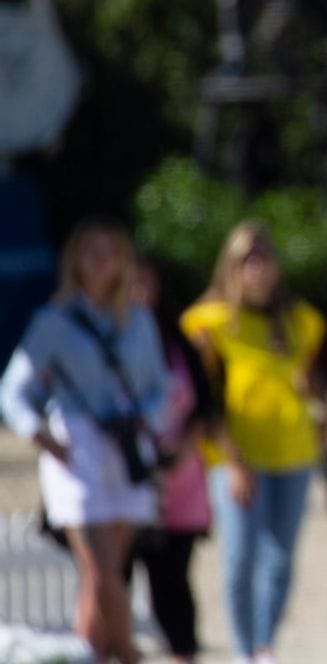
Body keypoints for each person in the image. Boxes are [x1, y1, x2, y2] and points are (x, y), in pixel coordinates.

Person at [0, 219, 168, 664]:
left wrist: (146, 420)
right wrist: (41, 436)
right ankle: (130, 654)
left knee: (104, 576)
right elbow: (13, 389)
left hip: (126, 447)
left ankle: (88, 653)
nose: (101, 261)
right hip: (77, 448)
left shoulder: (138, 319)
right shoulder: (53, 322)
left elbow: (158, 386)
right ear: (74, 260)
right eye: (91, 251)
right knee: (103, 569)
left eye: (109, 251)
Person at [181, 222, 327, 664]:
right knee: (240, 555)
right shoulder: (207, 322)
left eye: (265, 257)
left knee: (281, 557)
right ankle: (243, 649)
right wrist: (232, 460)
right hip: (236, 455)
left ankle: (265, 644)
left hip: (293, 450)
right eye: (249, 259)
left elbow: (309, 379)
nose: (259, 268)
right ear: (231, 266)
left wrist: (324, 409)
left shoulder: (299, 321)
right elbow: (203, 400)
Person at [129, 255, 217, 664]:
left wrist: (182, 450)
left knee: (173, 584)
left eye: (147, 282)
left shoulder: (177, 339)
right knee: (116, 581)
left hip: (180, 477)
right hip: (126, 476)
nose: (140, 292)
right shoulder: (104, 339)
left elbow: (206, 406)